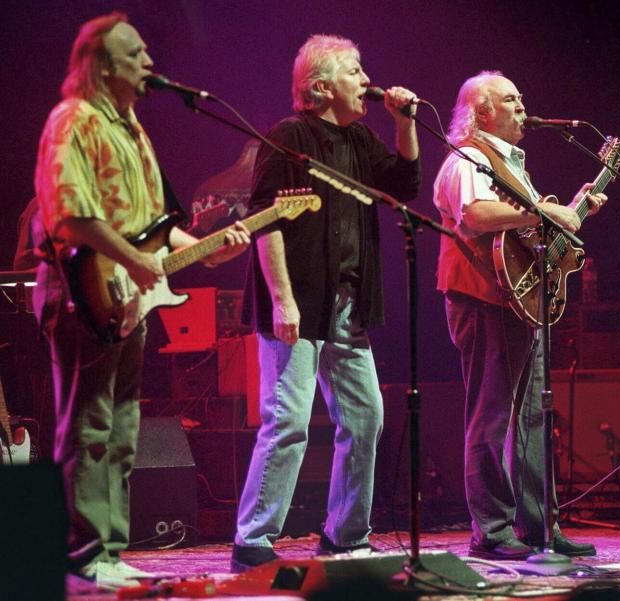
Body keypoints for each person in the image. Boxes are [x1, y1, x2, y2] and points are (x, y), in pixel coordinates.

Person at [33, 13, 250, 591]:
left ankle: (109, 548)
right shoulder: (72, 120)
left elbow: (158, 230)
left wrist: (208, 250)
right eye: (137, 54)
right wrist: (131, 262)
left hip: (130, 295)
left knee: (123, 425)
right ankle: (83, 556)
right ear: (104, 65)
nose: (150, 62)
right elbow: (70, 216)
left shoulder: (133, 126)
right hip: (83, 288)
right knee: (88, 423)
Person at [231, 35, 421, 573]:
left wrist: (404, 123)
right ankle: (253, 538)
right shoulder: (289, 137)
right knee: (288, 420)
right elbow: (264, 222)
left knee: (366, 418)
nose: (367, 80)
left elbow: (404, 184)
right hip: (298, 302)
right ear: (319, 87)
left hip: (348, 305)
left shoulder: (360, 140)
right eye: (355, 71)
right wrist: (283, 301)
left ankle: (345, 535)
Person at [433, 71, 604, 560]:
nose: (523, 106)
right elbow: (477, 216)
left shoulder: (511, 165)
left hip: (517, 300)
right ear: (482, 111)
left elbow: (525, 240)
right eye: (511, 99)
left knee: (531, 418)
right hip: (482, 298)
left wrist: (573, 211)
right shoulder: (469, 156)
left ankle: (538, 528)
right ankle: (491, 530)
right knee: (490, 417)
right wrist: (543, 213)